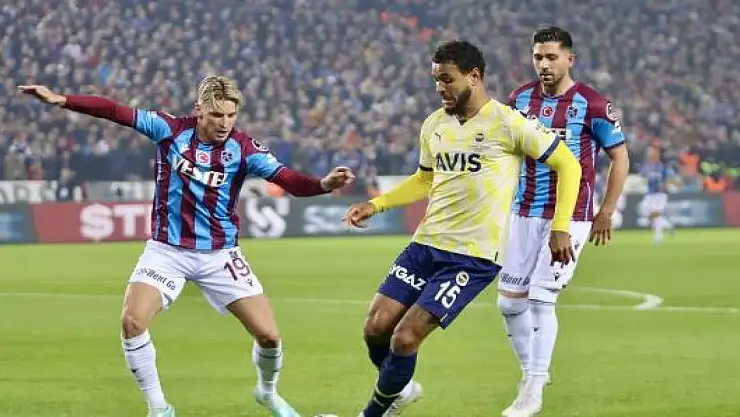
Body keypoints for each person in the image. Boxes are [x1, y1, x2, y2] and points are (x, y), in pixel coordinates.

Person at [19, 76, 355, 417]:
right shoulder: (170, 130)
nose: (225, 123)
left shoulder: (244, 149)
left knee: (269, 336)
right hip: (167, 251)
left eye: (231, 115)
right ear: (199, 111)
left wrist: (324, 184)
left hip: (220, 254)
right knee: (132, 322)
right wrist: (62, 99)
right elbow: (114, 111)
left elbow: (289, 180)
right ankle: (159, 409)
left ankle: (267, 393)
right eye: (217, 115)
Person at [340, 40, 582, 417]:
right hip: (425, 245)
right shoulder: (434, 124)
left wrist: (561, 226)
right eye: (436, 80)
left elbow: (568, 164)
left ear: (474, 76)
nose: (440, 88)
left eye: (447, 79)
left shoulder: (509, 122)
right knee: (375, 328)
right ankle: (400, 389)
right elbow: (424, 179)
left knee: (405, 337)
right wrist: (376, 204)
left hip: (471, 257)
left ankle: (372, 412)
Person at [496, 26, 630, 417]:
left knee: (541, 298)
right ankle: (532, 372)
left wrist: (606, 210)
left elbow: (620, 157)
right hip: (523, 211)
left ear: (569, 59)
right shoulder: (519, 99)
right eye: (538, 56)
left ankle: (533, 388)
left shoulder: (593, 104)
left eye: (552, 57)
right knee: (508, 304)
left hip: (570, 216)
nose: (544, 64)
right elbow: (507, 152)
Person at [639, 145, 675, 243]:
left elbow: (668, 178)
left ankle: (658, 237)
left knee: (655, 214)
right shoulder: (647, 166)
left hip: (660, 194)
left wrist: (664, 185)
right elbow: (642, 176)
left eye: (652, 154)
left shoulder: (662, 167)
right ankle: (668, 225)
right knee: (645, 211)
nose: (650, 156)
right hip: (650, 194)